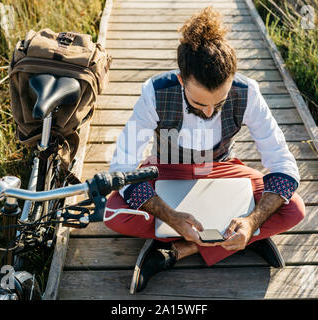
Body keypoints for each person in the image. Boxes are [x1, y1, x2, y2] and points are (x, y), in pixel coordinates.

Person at [105, 7, 305, 294]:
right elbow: (122, 167)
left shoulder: (247, 92)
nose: (210, 111)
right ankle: (239, 241)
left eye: (220, 102)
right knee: (114, 213)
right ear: (181, 80)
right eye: (199, 104)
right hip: (168, 167)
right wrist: (171, 216)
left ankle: (177, 250)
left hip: (222, 168)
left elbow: (283, 164)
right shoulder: (156, 92)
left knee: (295, 208)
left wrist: (252, 221)